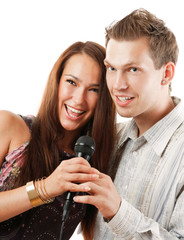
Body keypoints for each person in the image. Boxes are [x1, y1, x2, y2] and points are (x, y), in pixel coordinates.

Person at [73, 9, 184, 239]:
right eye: (112, 68)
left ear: (167, 73)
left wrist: (118, 212)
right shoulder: (108, 138)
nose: (117, 85)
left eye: (133, 69)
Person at [0, 41, 116, 239]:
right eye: (72, 82)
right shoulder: (9, 125)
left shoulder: (95, 159)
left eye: (94, 89)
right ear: (57, 81)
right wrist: (45, 188)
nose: (79, 99)